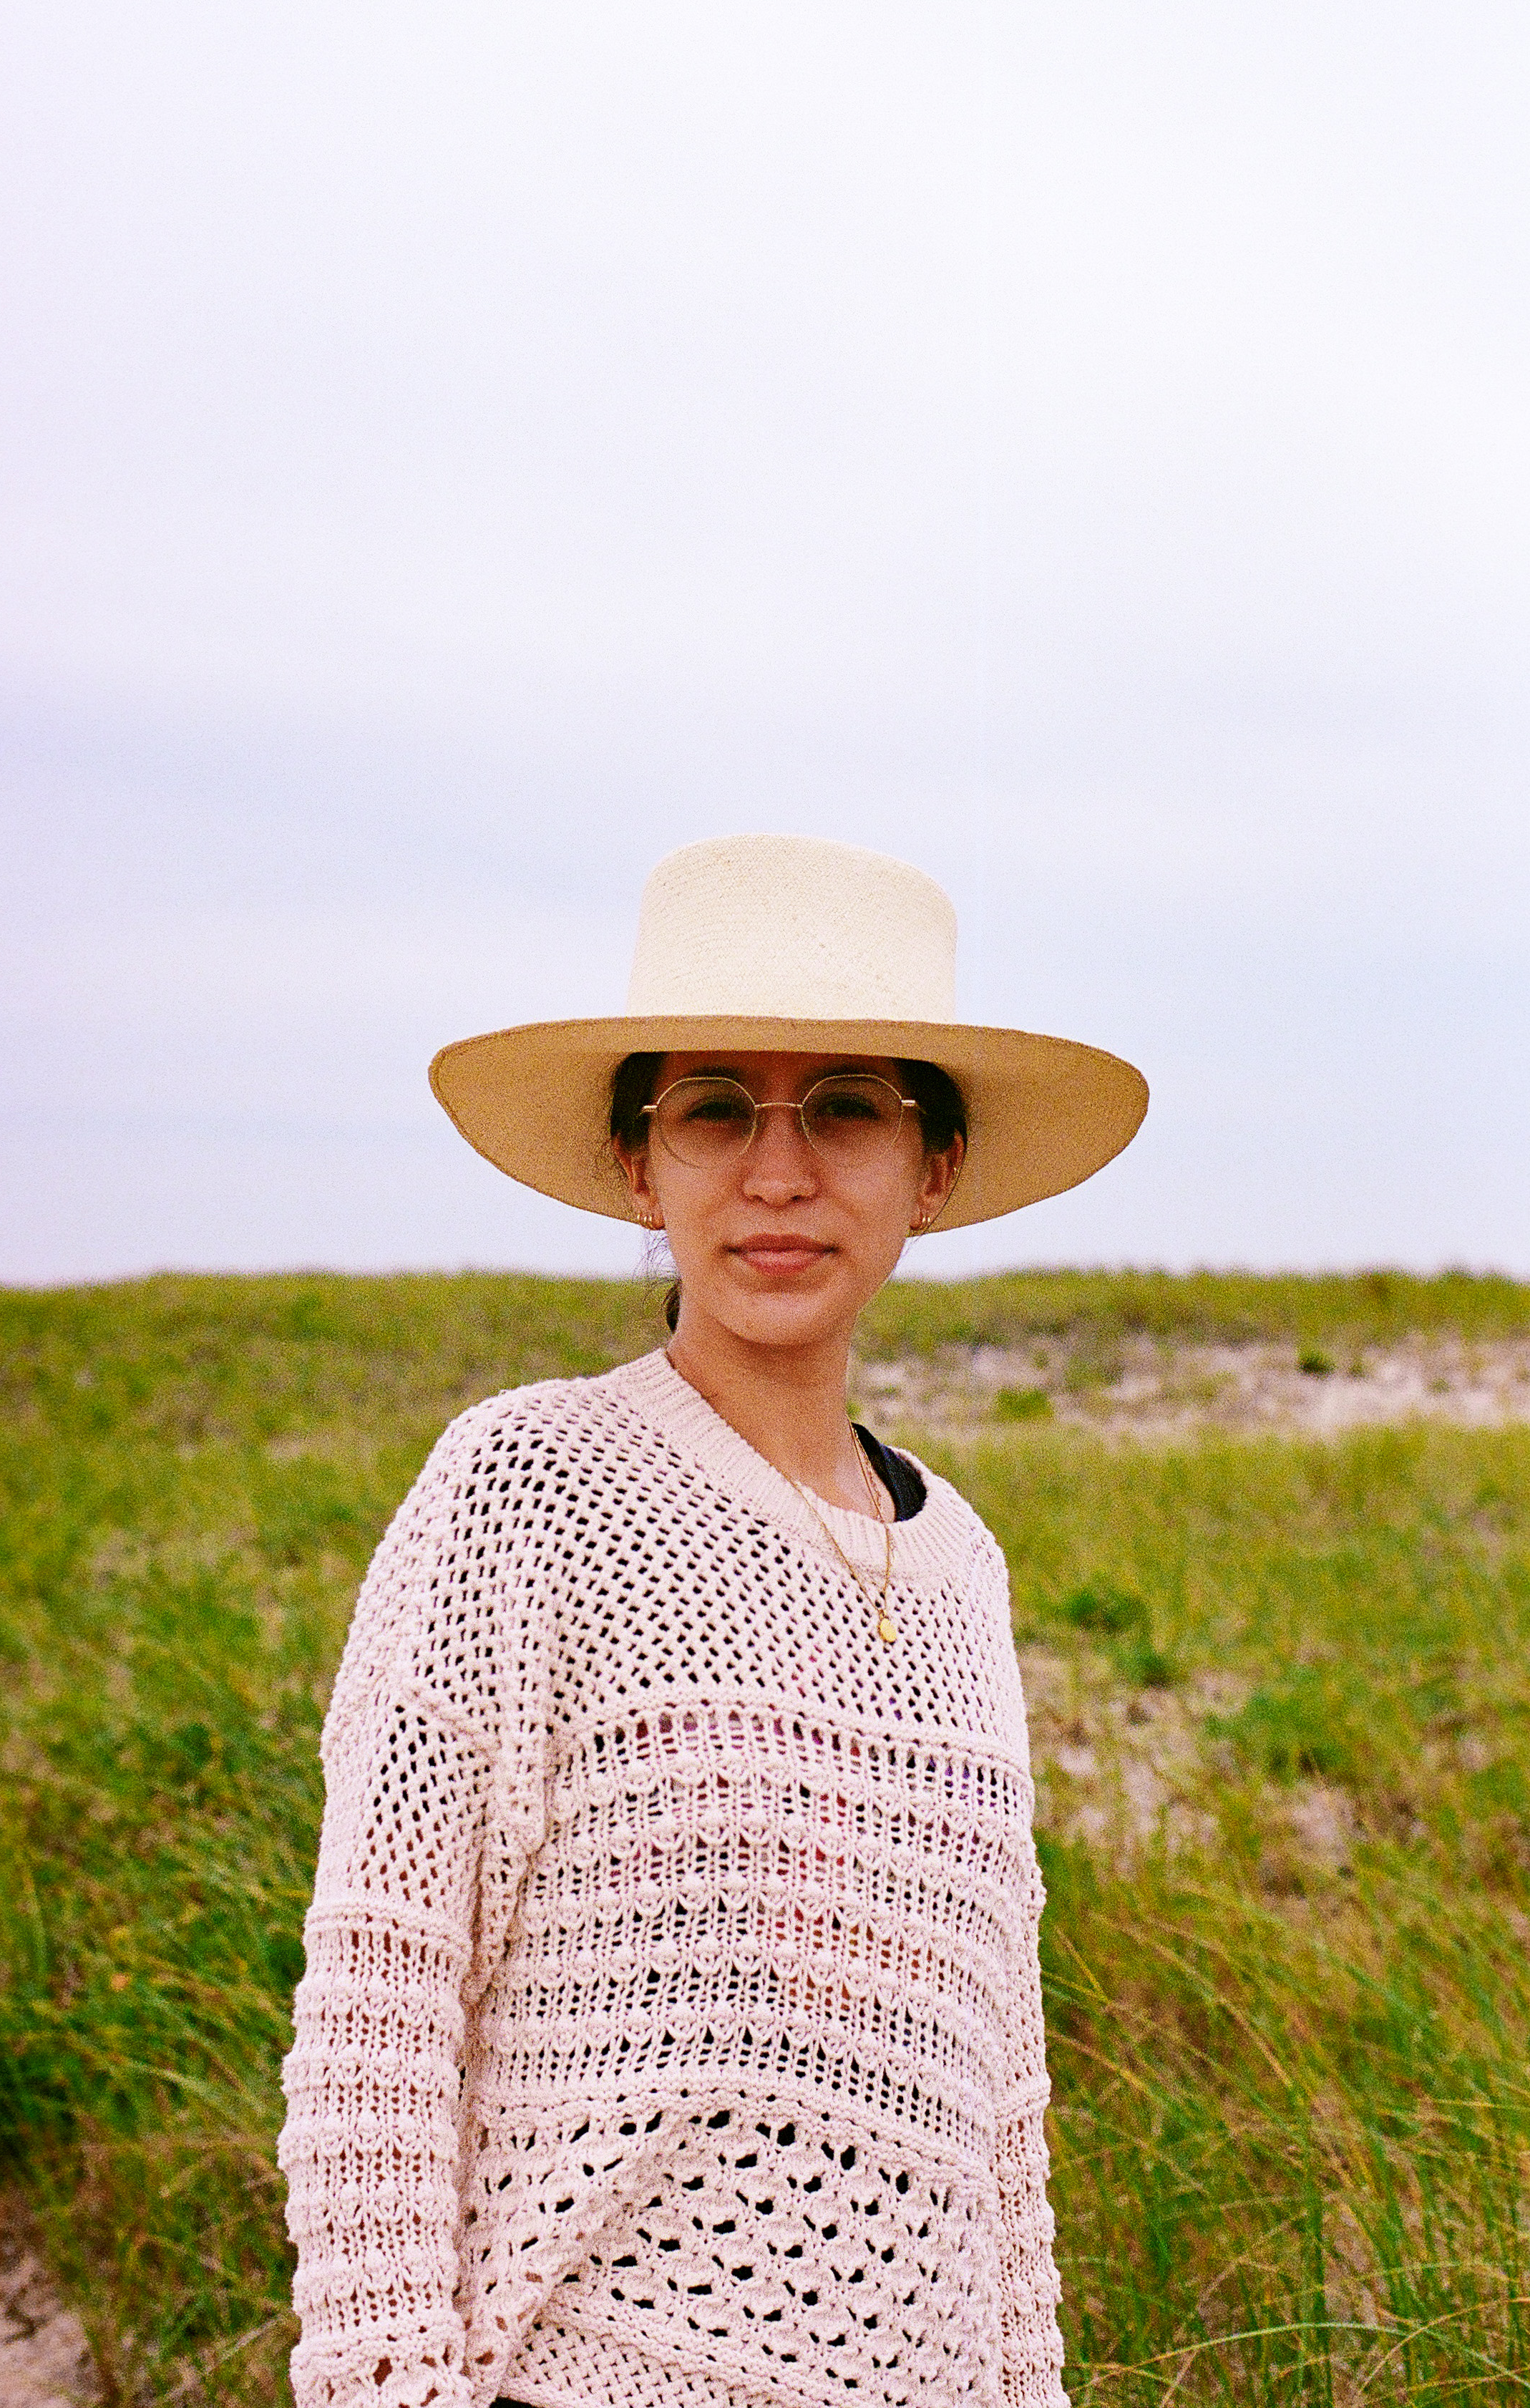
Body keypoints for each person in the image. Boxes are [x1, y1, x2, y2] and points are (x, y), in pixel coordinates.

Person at [277, 834, 1147, 2408]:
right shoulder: (525, 1483)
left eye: (849, 1109)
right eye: (715, 1109)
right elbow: (381, 2005)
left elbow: (995, 2116)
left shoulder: (969, 1573)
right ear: (639, 1160)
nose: (778, 1171)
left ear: (933, 1165)